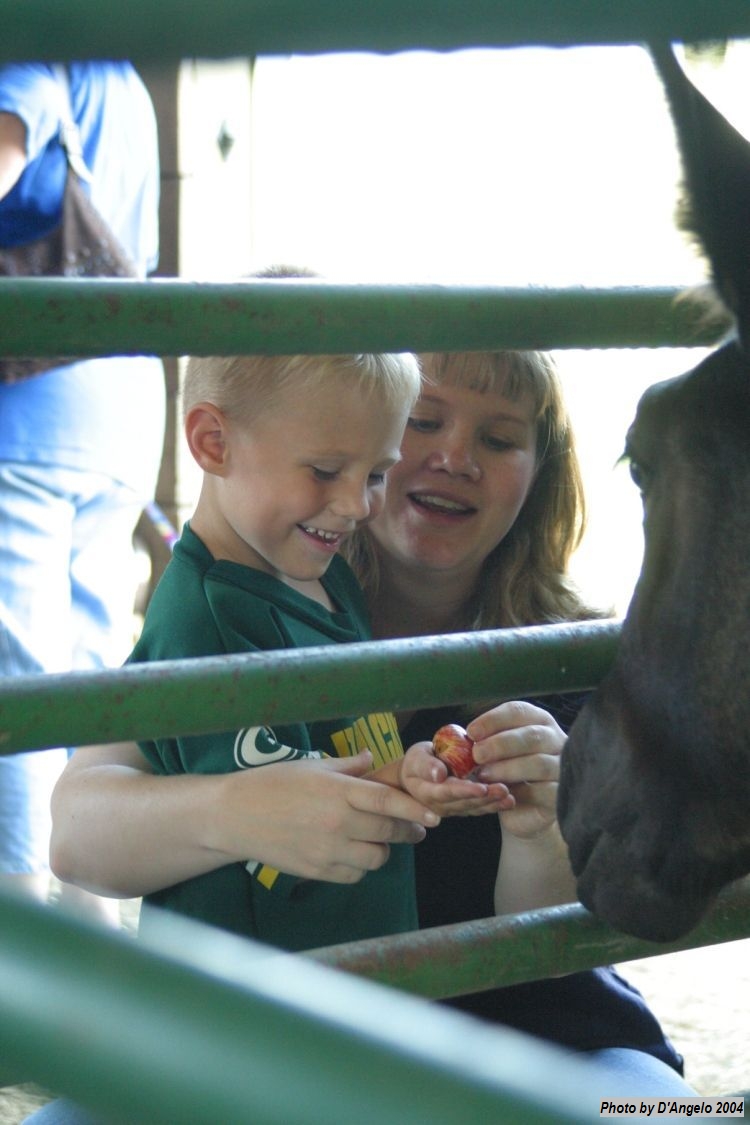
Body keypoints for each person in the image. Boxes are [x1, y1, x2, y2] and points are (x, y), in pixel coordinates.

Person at [39, 350, 696, 1123]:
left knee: (680, 1120)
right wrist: (233, 811)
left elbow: (554, 949)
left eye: (500, 438)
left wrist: (538, 831)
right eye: (426, 421)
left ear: (539, 471)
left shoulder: (575, 655)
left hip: (541, 1043)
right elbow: (77, 830)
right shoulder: (256, 605)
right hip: (277, 1048)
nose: (455, 456)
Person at [0, 61, 165, 922]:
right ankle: (94, 934)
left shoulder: (26, 41)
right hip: (120, 401)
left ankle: (20, 965)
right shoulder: (123, 73)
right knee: (89, 680)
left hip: (24, 403)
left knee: (14, 691)